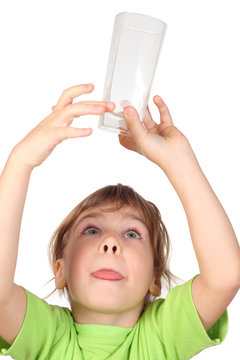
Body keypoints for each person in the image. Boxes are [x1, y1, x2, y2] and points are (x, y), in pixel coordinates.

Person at [0, 83, 239, 359]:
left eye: (133, 234)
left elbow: (225, 276)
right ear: (61, 270)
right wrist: (20, 161)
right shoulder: (48, 336)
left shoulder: (161, 336)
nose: (111, 242)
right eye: (91, 230)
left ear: (154, 278)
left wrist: (179, 161)